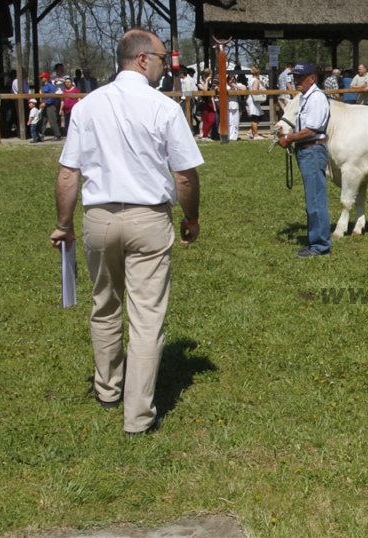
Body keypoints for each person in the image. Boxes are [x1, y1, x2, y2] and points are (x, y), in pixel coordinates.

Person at [49, 28, 203, 436]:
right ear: (141, 60)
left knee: (104, 306)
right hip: (148, 218)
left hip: (98, 217)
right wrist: (192, 219)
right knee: (147, 317)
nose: (165, 64)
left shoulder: (87, 106)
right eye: (161, 57)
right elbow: (184, 176)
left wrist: (64, 225)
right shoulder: (164, 107)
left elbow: (68, 174)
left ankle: (107, 388)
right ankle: (137, 415)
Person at [277, 62, 331, 258]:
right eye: (295, 77)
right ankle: (316, 242)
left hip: (313, 150)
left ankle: (320, 246)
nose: (297, 80)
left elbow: (311, 130)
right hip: (308, 150)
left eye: (301, 77)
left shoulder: (316, 99)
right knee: (313, 198)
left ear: (312, 78)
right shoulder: (306, 98)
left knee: (315, 199)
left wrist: (289, 138)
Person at [39, 72, 61, 140]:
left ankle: (57, 135)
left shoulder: (50, 86)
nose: (41, 79)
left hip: (50, 105)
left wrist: (46, 103)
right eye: (41, 77)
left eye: (42, 77)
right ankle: (40, 135)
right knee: (42, 120)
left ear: (47, 78)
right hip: (44, 105)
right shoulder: (43, 86)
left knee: (52, 120)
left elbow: (52, 97)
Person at [246, 65, 265, 139]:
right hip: (253, 100)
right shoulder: (256, 80)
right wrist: (262, 91)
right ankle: (256, 135)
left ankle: (250, 131)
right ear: (258, 72)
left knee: (260, 116)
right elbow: (254, 90)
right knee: (255, 117)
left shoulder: (250, 80)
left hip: (252, 100)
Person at [197, 69, 217, 141]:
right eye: (210, 75)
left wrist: (214, 105)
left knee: (212, 120)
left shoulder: (210, 84)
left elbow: (211, 95)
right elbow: (205, 90)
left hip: (210, 103)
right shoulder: (200, 83)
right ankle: (205, 136)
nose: (211, 77)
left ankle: (205, 134)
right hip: (204, 103)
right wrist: (206, 81)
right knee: (205, 120)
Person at [226, 74, 241, 141]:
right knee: (229, 122)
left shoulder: (237, 86)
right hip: (228, 106)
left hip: (235, 106)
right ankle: (229, 136)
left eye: (233, 79)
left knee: (236, 122)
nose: (232, 81)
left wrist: (234, 85)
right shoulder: (225, 86)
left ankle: (235, 137)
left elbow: (244, 88)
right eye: (230, 79)